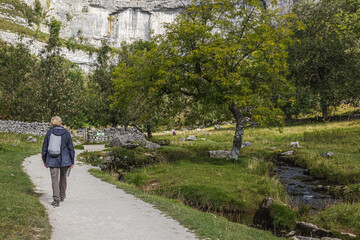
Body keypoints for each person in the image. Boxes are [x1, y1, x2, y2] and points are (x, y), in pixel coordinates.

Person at [42, 116, 75, 207]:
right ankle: (62, 195)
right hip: (65, 160)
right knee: (63, 177)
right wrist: (72, 161)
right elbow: (70, 148)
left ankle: (56, 200)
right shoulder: (66, 133)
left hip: (52, 159)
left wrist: (44, 160)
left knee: (54, 179)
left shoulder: (49, 133)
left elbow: (44, 148)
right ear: (61, 123)